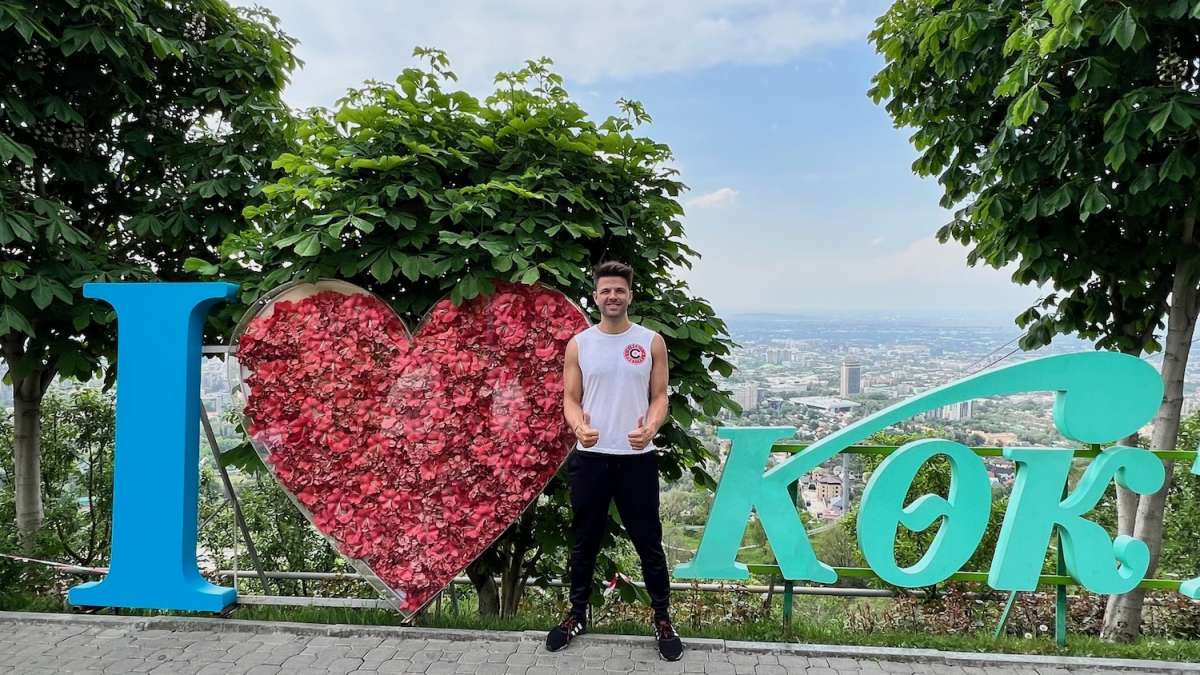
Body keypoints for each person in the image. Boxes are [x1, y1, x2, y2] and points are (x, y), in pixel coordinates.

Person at [544, 260, 684, 662]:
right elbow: (571, 399)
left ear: (630, 296)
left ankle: (662, 619)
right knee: (583, 541)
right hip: (590, 459)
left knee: (649, 544)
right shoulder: (580, 344)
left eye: (619, 290)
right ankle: (576, 615)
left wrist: (652, 426)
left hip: (636, 460)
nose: (612, 296)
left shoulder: (651, 341)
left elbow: (660, 396)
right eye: (605, 290)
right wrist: (576, 425)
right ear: (595, 296)